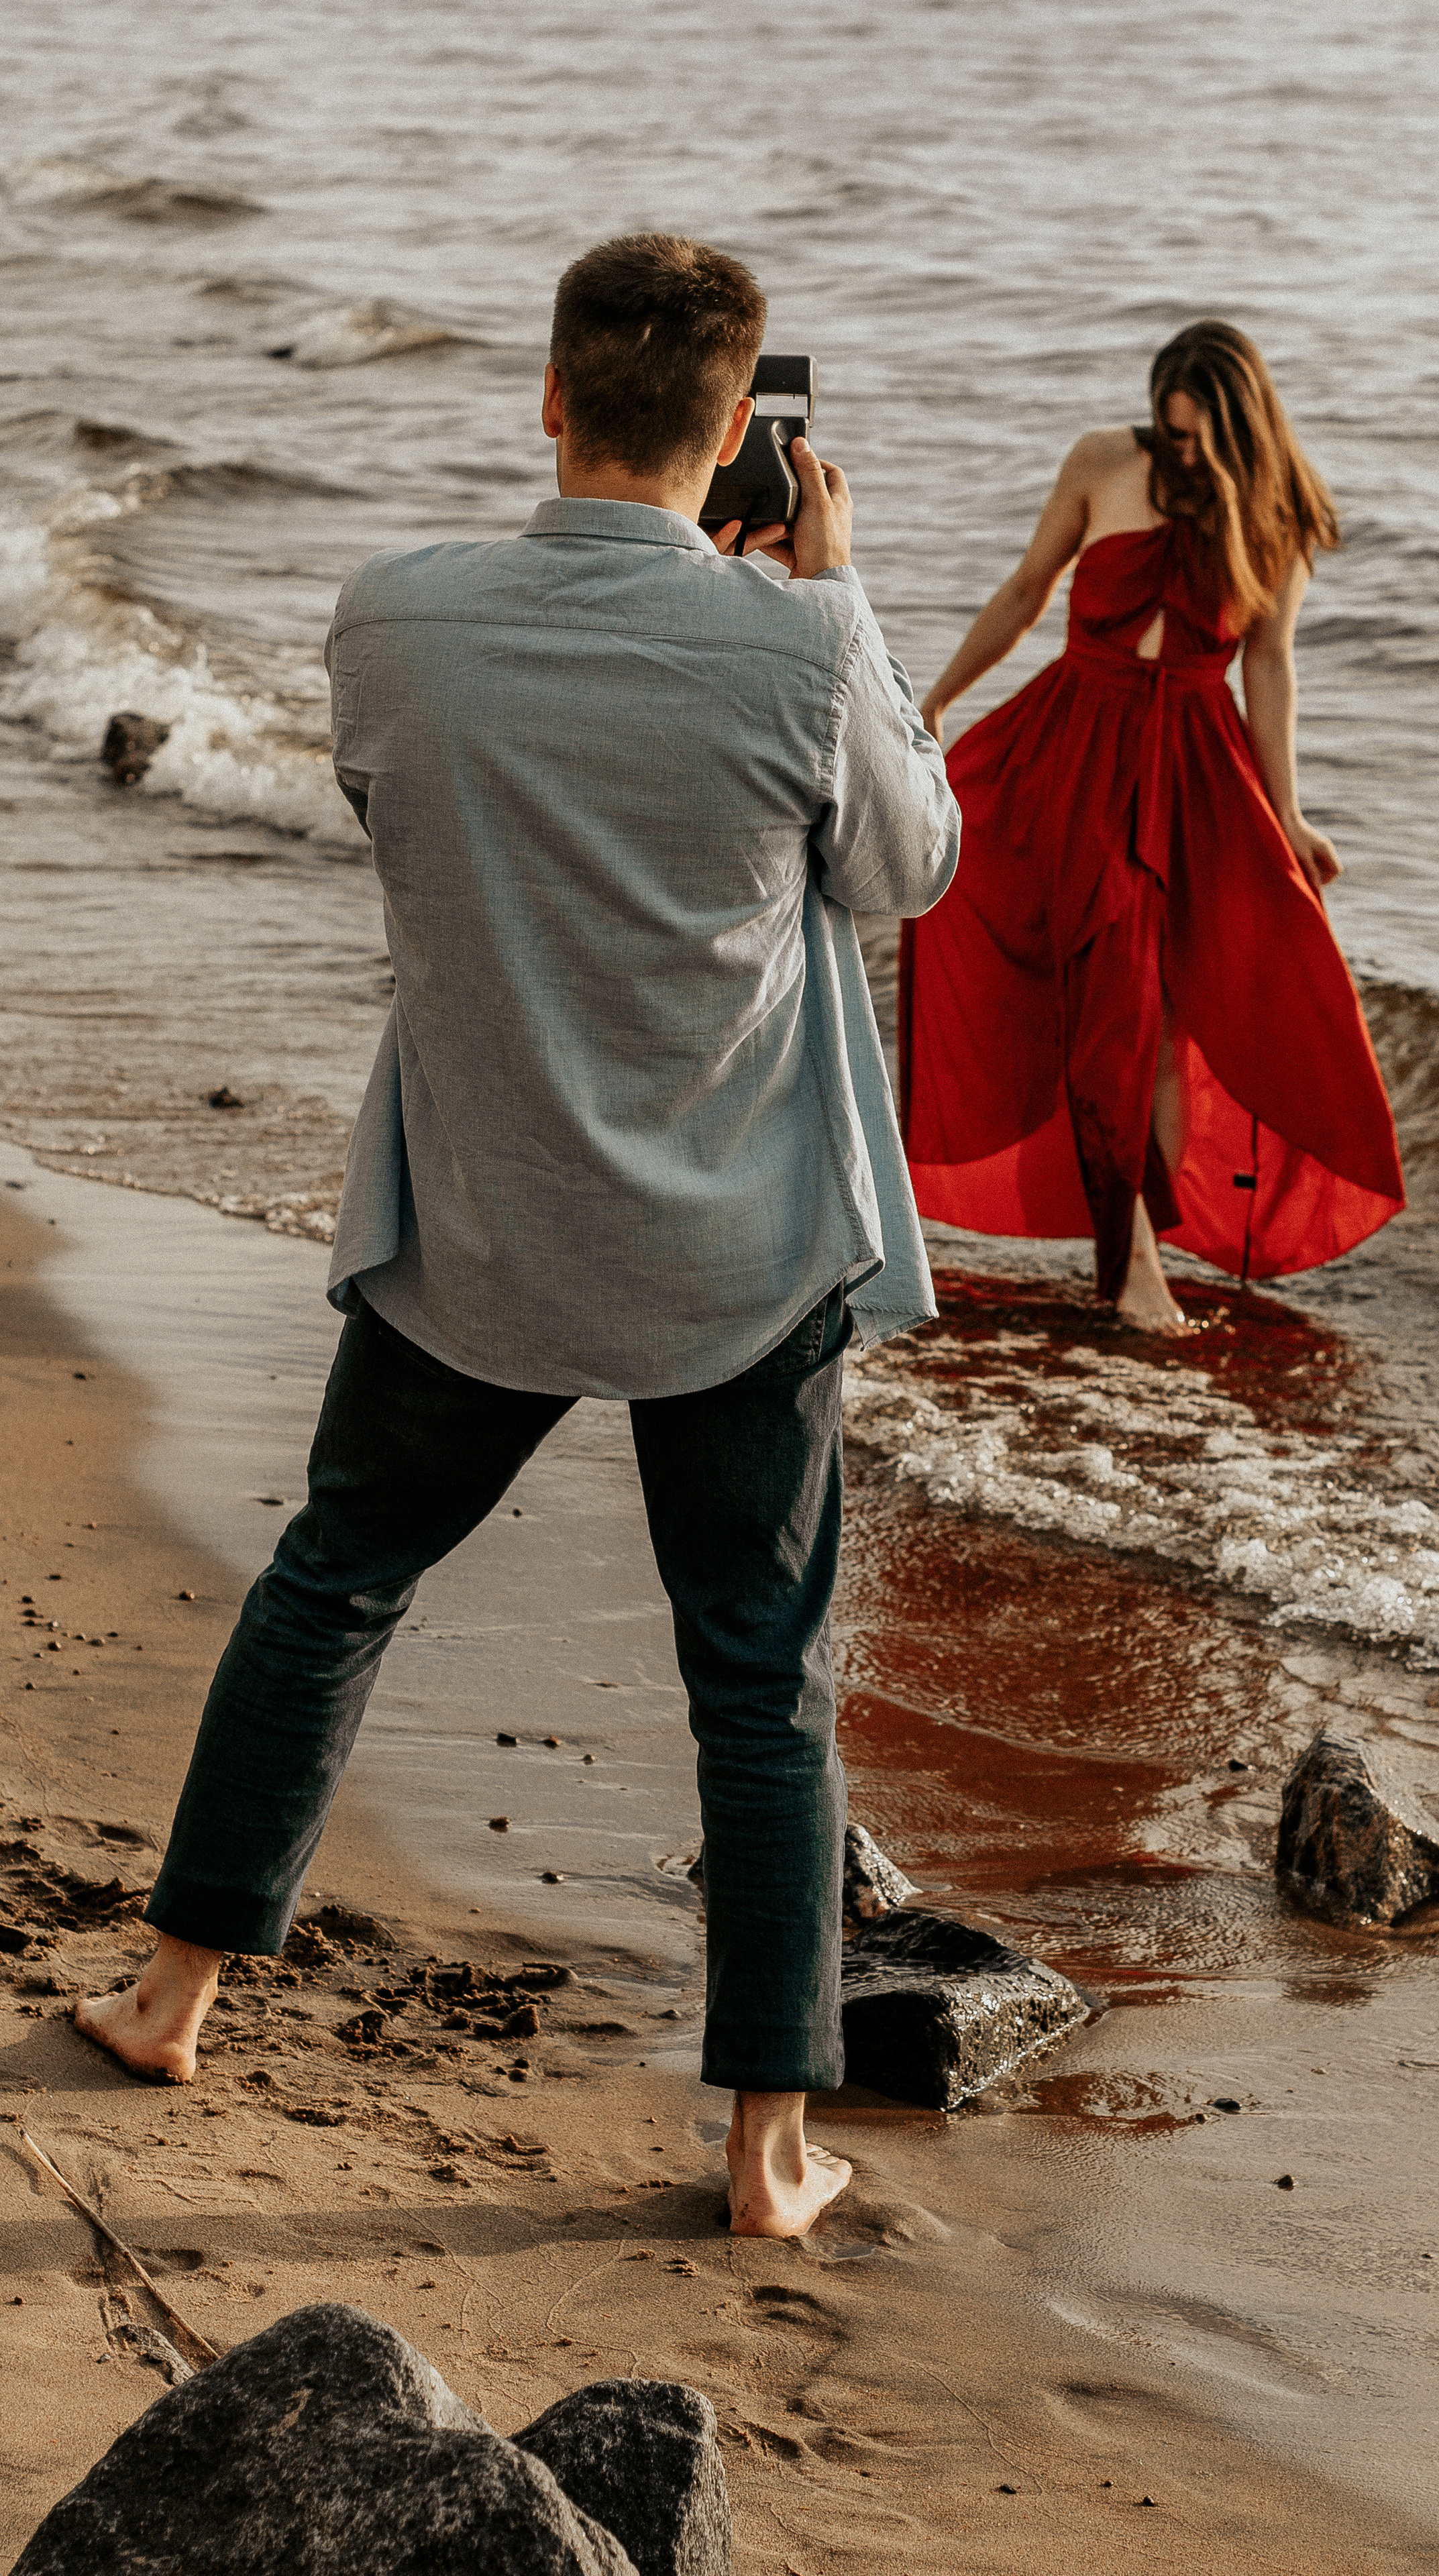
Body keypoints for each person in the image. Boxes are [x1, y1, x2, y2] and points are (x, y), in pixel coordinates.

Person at [75, 233, 959, 2241]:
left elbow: (405, 816)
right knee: (761, 1677)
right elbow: (907, 869)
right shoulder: (798, 638)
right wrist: (833, 587)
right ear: (745, 432)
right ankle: (763, 2151)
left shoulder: (392, 619)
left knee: (334, 1582)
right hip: (736, 1257)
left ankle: (171, 1993)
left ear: (551, 399)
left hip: (477, 1224)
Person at [900, 319, 1403, 1330]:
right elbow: (1028, 589)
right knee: (1111, 997)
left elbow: (1268, 667)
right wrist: (939, 702)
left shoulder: (1281, 515)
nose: (1172, 452)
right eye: (1165, 431)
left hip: (1195, 771)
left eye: (1190, 438)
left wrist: (1289, 816)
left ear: (1234, 424)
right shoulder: (1100, 461)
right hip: (1074, 746)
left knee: (1174, 1020)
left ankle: (1145, 1244)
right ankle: (1129, 1264)